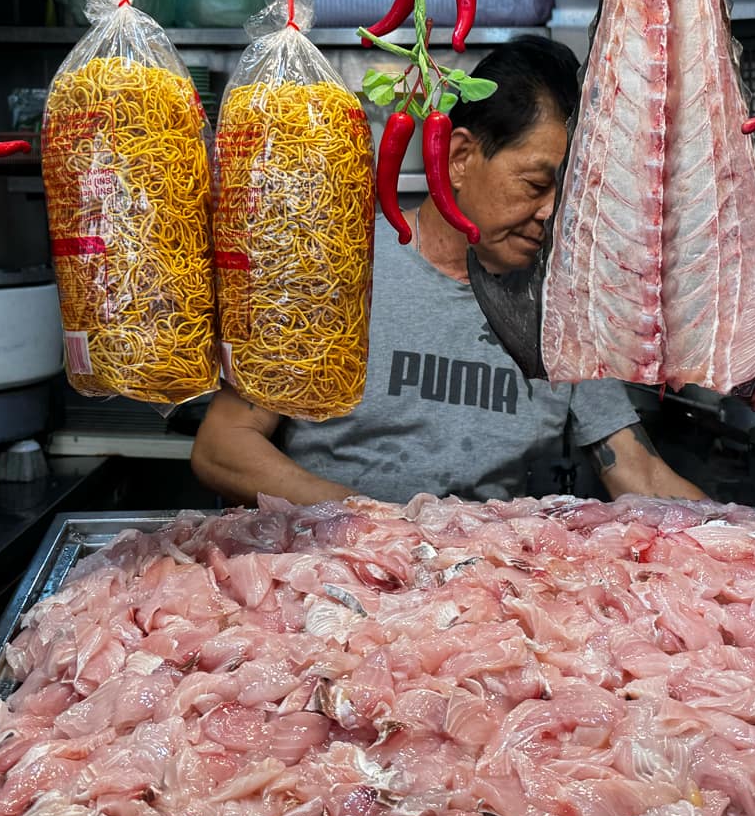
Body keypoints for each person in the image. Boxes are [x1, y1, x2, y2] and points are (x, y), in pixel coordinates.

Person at [192, 36, 706, 507]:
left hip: (475, 590)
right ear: (460, 157)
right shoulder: (337, 268)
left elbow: (638, 472)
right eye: (535, 185)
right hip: (328, 576)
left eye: (569, 196)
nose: (552, 214)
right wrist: (368, 522)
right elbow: (224, 445)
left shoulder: (561, 313)